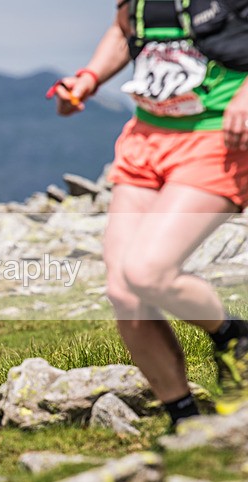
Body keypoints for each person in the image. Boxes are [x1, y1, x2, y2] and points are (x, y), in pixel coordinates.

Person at [48, 0, 248, 426]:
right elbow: (125, 28)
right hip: (146, 139)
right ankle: (185, 422)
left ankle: (234, 336)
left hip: (217, 139)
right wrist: (88, 78)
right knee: (125, 293)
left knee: (148, 271)